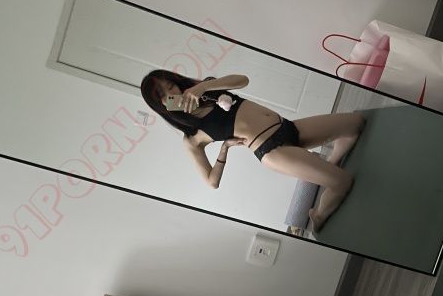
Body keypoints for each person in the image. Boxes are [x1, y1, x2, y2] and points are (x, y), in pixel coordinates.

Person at [140, 69, 365, 232]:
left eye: (169, 85)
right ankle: (318, 215)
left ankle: (332, 161)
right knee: (343, 182)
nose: (171, 92)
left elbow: (243, 80)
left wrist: (205, 86)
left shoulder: (208, 89)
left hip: (289, 127)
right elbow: (211, 181)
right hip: (274, 151)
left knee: (356, 124)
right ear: (161, 106)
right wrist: (224, 149)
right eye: (162, 94)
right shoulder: (192, 137)